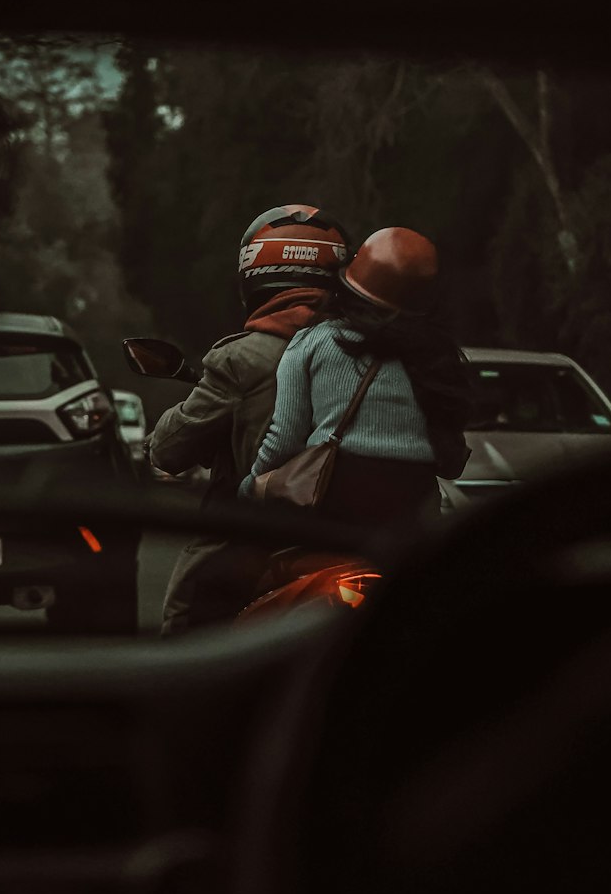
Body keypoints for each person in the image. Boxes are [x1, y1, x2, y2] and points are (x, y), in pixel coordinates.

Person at [148, 204, 352, 634]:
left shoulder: (242, 357)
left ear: (254, 273)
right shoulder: (370, 349)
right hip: (357, 537)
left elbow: (169, 450)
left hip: (256, 543)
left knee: (185, 623)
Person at [239, 227, 471, 524]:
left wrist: (249, 488)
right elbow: (452, 460)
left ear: (347, 284)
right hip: (416, 499)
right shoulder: (438, 357)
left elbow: (284, 439)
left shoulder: (313, 341)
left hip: (338, 493)